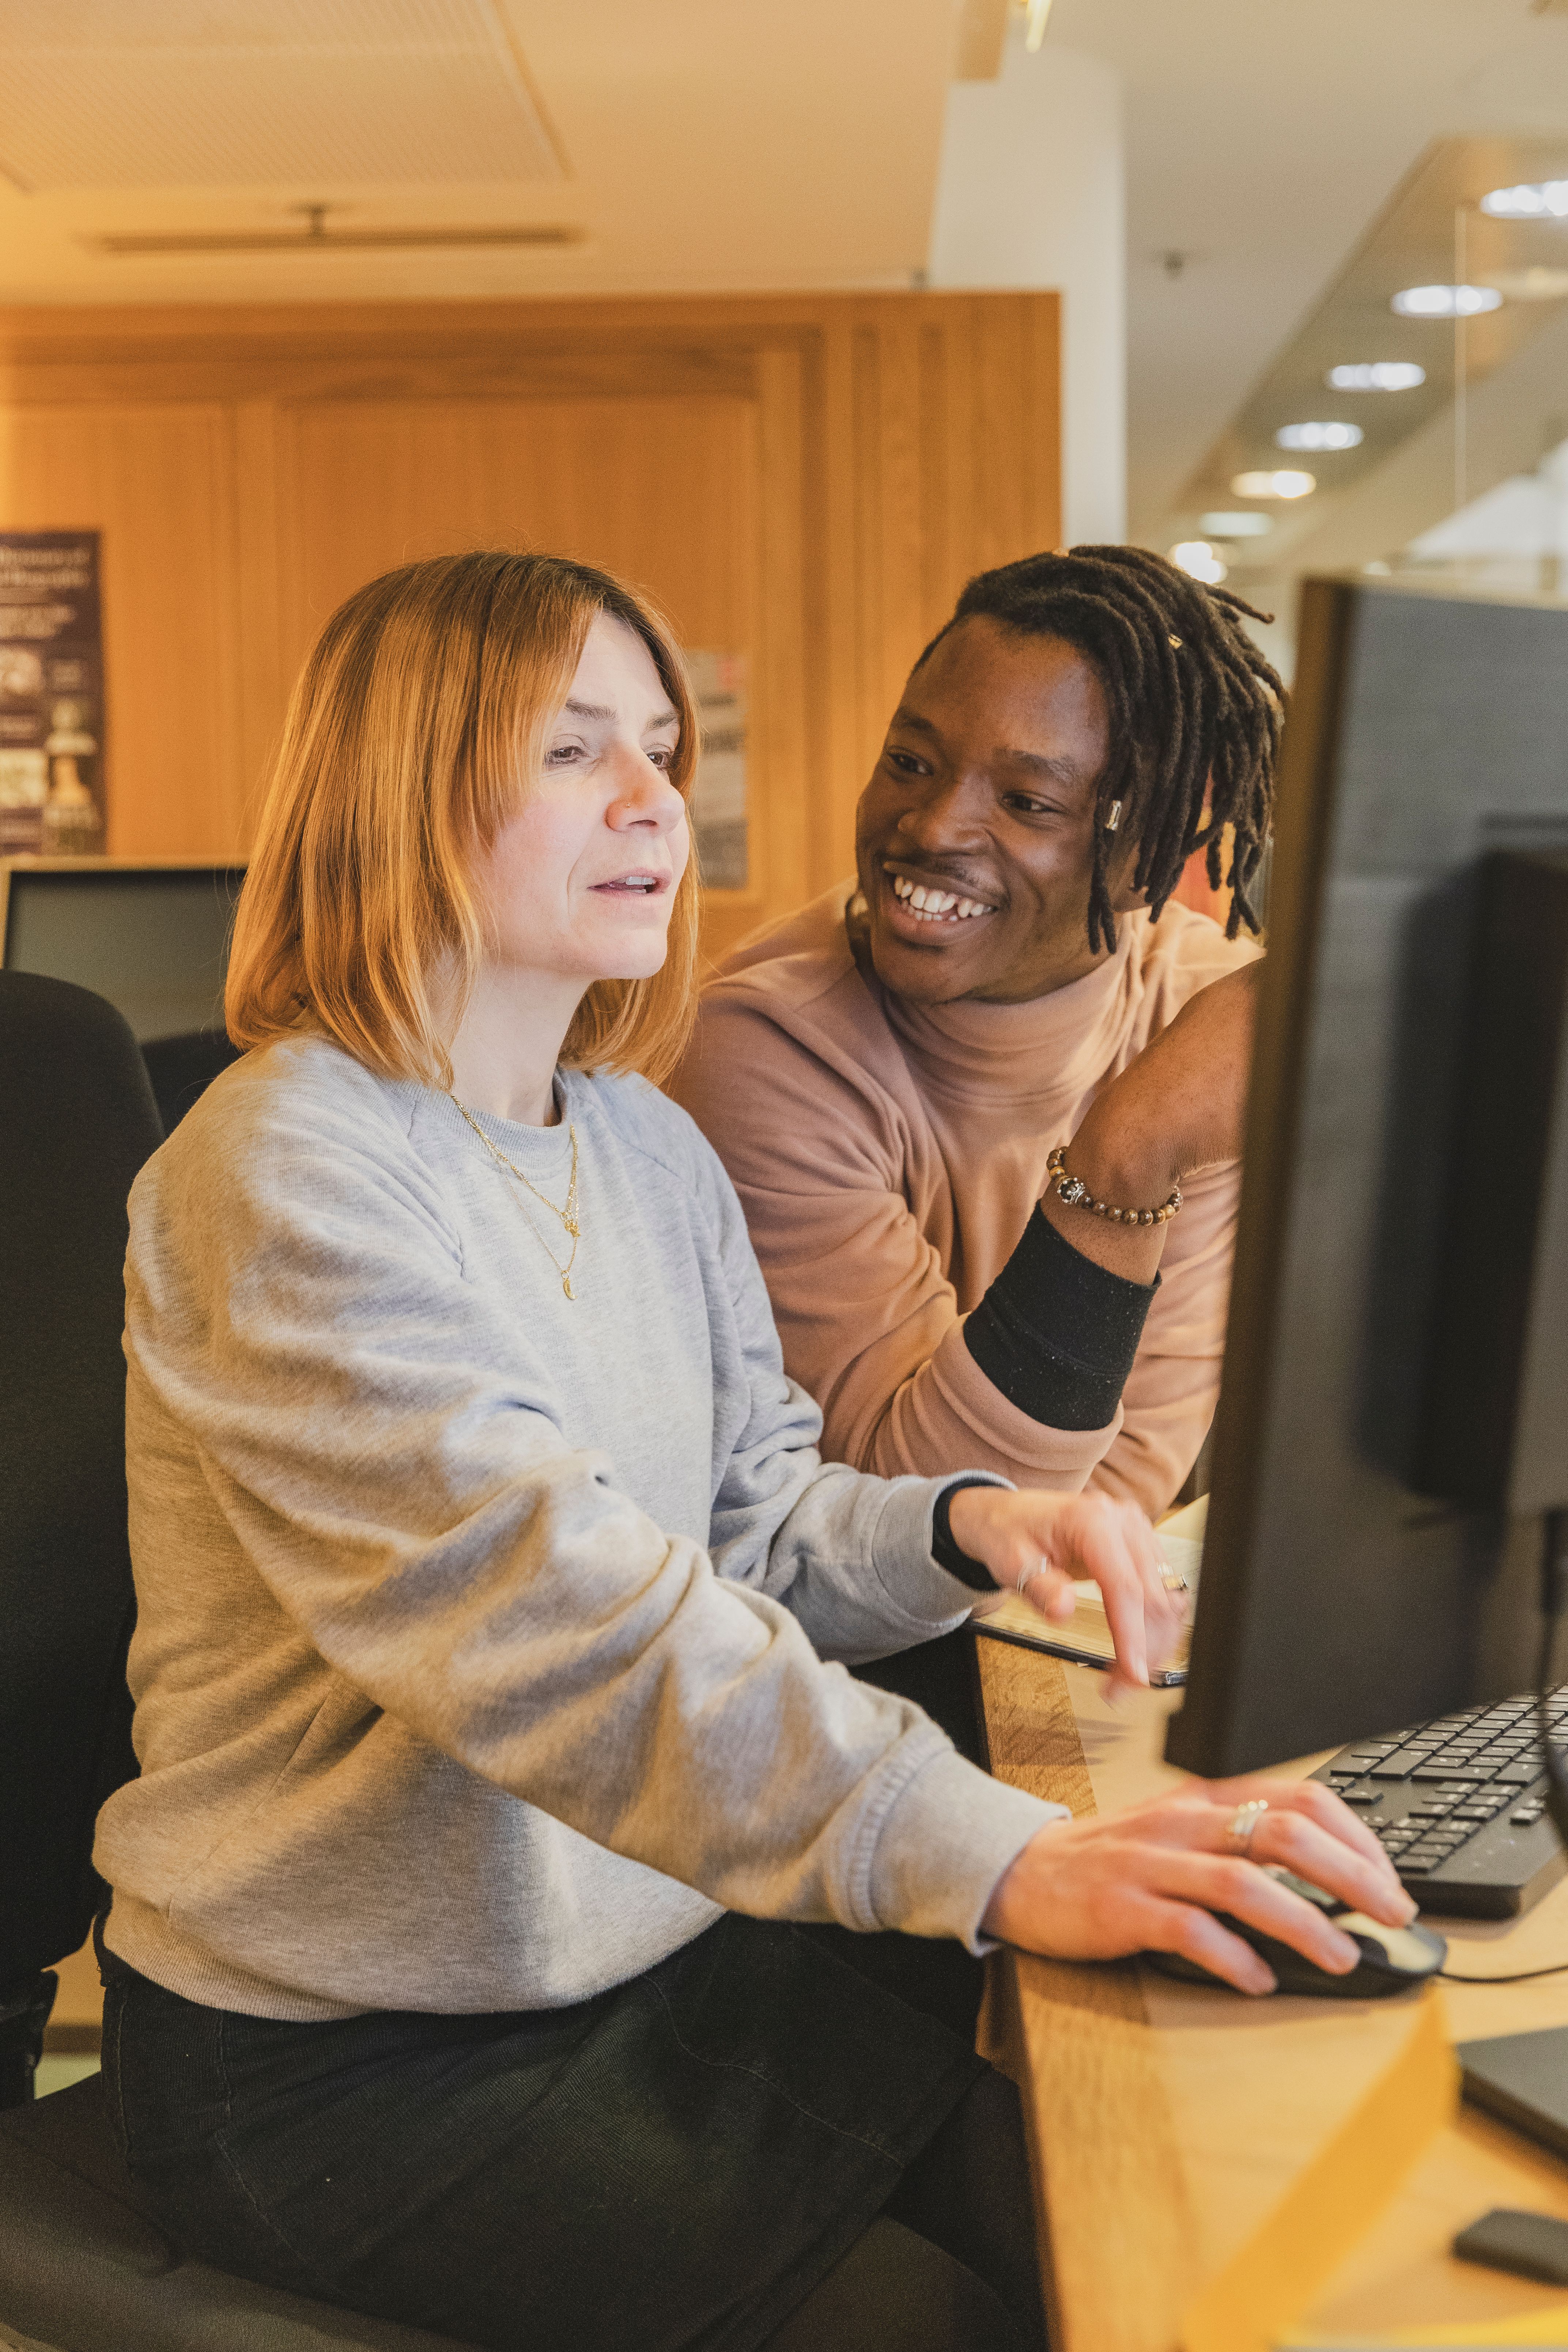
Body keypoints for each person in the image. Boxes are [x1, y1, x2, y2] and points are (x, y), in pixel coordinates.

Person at [94, 551, 1409, 2352]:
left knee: (1125, 2215)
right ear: (403, 788)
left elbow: (754, 1529)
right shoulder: (288, 1175)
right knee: (965, 2320)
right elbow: (575, 1635)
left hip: (644, 1955)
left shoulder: (634, 1144)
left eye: (660, 745)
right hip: (350, 2058)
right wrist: (1003, 1847)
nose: (653, 799)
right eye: (573, 753)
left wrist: (969, 1527)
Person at [672, 545, 1283, 1520]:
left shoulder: (1198, 1016)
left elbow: (1125, 1492)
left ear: (1149, 856)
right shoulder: (763, 1049)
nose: (931, 825)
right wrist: (1124, 1157)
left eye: (1026, 801)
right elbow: (915, 1517)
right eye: (910, 762)